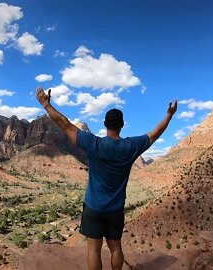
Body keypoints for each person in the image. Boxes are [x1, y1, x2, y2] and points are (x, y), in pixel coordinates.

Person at [36, 86, 177, 270]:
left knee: (93, 250)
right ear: (122, 125)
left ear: (104, 124)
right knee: (116, 248)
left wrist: (46, 105)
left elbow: (65, 123)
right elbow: (154, 134)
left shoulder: (94, 144)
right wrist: (169, 115)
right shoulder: (130, 147)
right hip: (115, 210)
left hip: (93, 207)